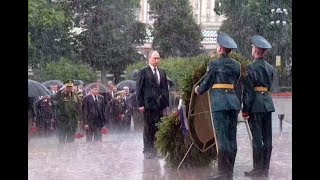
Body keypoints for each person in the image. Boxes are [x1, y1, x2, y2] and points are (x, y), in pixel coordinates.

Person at [194, 33, 241, 180]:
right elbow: (236, 83)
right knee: (232, 139)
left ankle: (222, 175)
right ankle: (229, 173)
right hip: (233, 103)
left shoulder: (214, 64)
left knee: (222, 139)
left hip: (220, 103)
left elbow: (206, 83)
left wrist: (198, 89)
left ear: (220, 48)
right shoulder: (237, 65)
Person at [242, 35, 275, 177]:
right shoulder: (270, 68)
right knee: (268, 138)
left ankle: (257, 169)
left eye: (252, 48)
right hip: (268, 104)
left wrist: (245, 110)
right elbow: (269, 86)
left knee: (257, 138)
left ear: (255, 50)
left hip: (255, 105)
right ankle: (265, 168)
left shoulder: (250, 68)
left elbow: (248, 91)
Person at [136, 50, 170, 159]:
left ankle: (157, 150)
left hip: (160, 106)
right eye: (154, 58)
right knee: (148, 128)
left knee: (158, 128)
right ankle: (147, 150)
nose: (157, 60)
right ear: (149, 59)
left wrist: (166, 104)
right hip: (147, 105)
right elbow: (139, 89)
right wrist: (140, 104)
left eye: (158, 58)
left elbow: (165, 89)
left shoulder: (162, 72)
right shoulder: (143, 72)